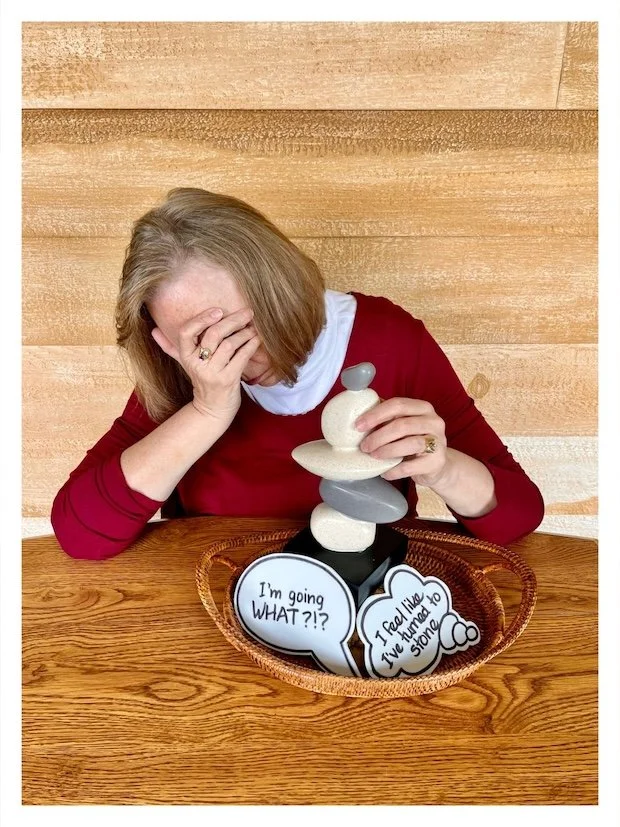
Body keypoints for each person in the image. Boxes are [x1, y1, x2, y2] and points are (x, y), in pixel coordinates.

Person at [51, 187, 544, 560]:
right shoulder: (183, 371)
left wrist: (442, 466)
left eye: (243, 326)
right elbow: (80, 533)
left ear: (280, 288)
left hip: (361, 591)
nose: (233, 357)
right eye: (201, 340)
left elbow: (519, 515)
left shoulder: (390, 339)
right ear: (163, 340)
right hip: (214, 589)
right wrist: (206, 411)